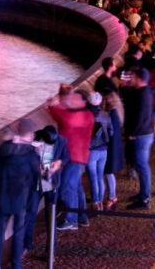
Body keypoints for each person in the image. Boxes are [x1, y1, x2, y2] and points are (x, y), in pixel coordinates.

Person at [0, 117, 41, 269]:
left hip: (3, 195)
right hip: (21, 198)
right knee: (18, 232)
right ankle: (16, 264)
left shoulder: (4, 148)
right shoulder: (31, 153)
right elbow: (36, 176)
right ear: (31, 134)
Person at [48, 89, 94, 230]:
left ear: (83, 102)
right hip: (76, 156)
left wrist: (52, 106)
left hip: (75, 157)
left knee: (67, 188)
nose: (71, 101)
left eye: (75, 99)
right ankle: (82, 217)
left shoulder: (83, 115)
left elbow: (66, 120)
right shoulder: (86, 114)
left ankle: (71, 220)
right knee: (76, 187)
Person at [22, 125, 69, 257]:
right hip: (37, 181)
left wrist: (59, 162)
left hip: (51, 181)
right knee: (30, 213)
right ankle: (26, 245)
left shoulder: (62, 141)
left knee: (51, 216)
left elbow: (66, 157)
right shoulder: (34, 138)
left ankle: (50, 250)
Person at [122, 67, 155, 209]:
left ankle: (145, 199)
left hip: (141, 135)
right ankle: (143, 194)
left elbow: (140, 116)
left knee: (142, 166)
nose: (132, 80)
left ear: (140, 79)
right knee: (141, 165)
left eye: (134, 78)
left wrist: (132, 133)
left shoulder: (143, 95)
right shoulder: (145, 92)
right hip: (144, 134)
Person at [85, 92, 111, 213]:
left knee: (93, 178)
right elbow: (112, 133)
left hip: (91, 151)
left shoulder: (86, 115)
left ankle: (95, 202)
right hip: (104, 150)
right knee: (100, 177)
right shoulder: (105, 114)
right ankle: (100, 200)